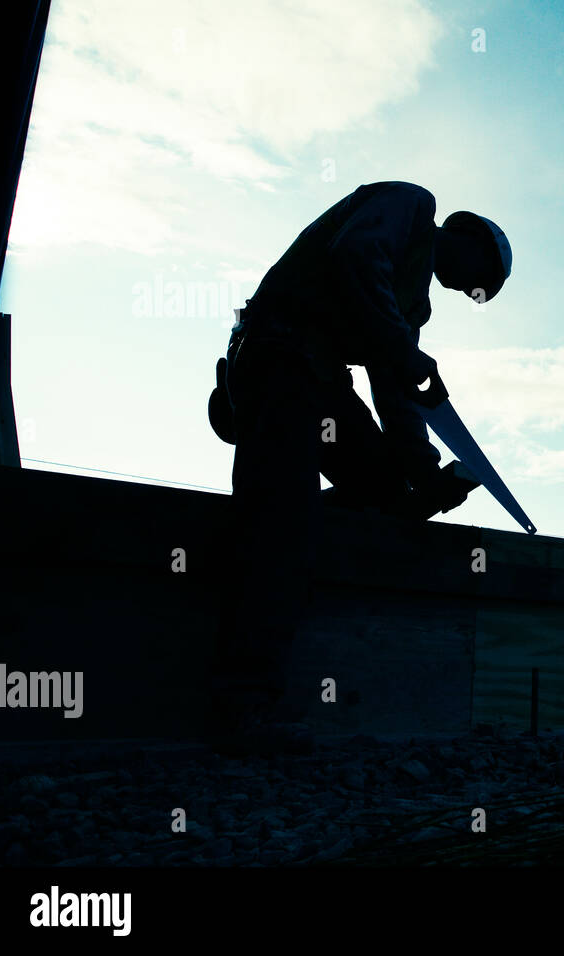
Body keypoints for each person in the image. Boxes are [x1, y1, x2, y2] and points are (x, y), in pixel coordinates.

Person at [204, 181, 511, 754]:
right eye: (480, 281)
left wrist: (426, 474)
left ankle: (284, 502)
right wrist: (401, 349)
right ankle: (240, 703)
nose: (473, 293)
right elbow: (355, 256)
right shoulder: (411, 207)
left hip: (321, 383)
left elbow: (395, 392)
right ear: (467, 237)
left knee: (384, 490)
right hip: (279, 356)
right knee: (280, 522)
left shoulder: (409, 304)